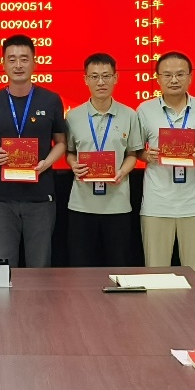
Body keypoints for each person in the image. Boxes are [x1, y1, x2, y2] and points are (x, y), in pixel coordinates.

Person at [0, 34, 68, 268]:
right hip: (1, 199)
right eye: (12, 59)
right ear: (3, 64)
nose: (18, 65)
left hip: (40, 197)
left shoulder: (51, 100)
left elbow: (62, 142)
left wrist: (46, 163)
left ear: (35, 63)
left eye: (24, 59)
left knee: (40, 268)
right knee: (3, 268)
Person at [135, 51, 195, 279]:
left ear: (190, 77)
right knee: (155, 274)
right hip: (157, 202)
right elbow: (136, 150)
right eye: (167, 75)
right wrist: (147, 155)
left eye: (180, 74)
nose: (174, 80)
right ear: (158, 78)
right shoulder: (144, 110)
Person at [64, 53, 144, 267]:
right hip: (81, 205)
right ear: (86, 79)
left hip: (117, 205)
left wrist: (122, 172)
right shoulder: (73, 116)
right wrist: (73, 165)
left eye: (106, 76)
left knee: (118, 266)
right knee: (81, 268)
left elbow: (133, 154)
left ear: (116, 78)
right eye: (94, 76)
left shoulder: (129, 115)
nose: (101, 82)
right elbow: (69, 152)